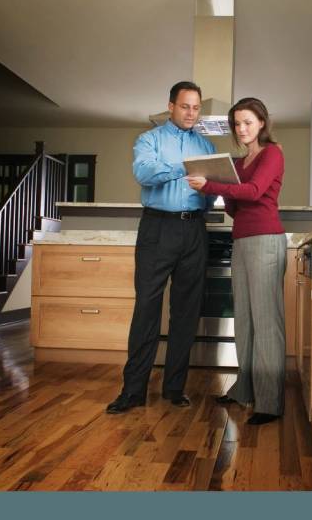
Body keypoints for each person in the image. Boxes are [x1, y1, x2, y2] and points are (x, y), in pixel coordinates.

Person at [106, 81, 216, 415]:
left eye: (196, 107)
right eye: (185, 106)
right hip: (158, 227)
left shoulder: (207, 144)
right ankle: (133, 390)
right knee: (147, 309)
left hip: (195, 228)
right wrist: (183, 166)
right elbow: (144, 173)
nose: (191, 113)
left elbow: (211, 191)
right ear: (171, 106)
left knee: (186, 311)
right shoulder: (149, 140)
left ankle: (174, 388)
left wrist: (208, 192)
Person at [186, 97, 286, 426]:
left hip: (266, 241)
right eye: (236, 124)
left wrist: (212, 185)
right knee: (244, 320)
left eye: (247, 122)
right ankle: (244, 390)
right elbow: (234, 208)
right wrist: (220, 189)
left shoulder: (272, 153)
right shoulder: (240, 162)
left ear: (261, 123)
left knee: (266, 322)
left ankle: (270, 403)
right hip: (242, 241)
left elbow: (256, 192)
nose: (241, 129)